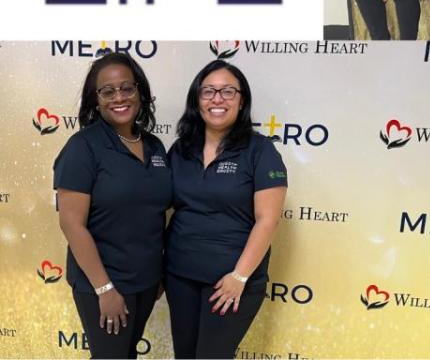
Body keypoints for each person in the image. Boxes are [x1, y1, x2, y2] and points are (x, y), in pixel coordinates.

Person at [165, 62, 287, 359]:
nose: (217, 99)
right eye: (208, 91)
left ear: (241, 99)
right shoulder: (181, 150)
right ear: (197, 99)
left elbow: (267, 220)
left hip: (230, 282)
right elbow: (157, 206)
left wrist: (239, 277)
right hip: (179, 276)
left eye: (228, 91)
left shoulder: (260, 151)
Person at [53, 53, 171, 360]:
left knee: (127, 354)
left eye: (127, 88)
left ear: (140, 92)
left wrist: (157, 275)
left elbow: (155, 214)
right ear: (96, 100)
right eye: (108, 91)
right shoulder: (83, 148)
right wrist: (105, 290)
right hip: (104, 283)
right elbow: (71, 223)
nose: (119, 97)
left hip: (145, 281)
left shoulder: (155, 147)